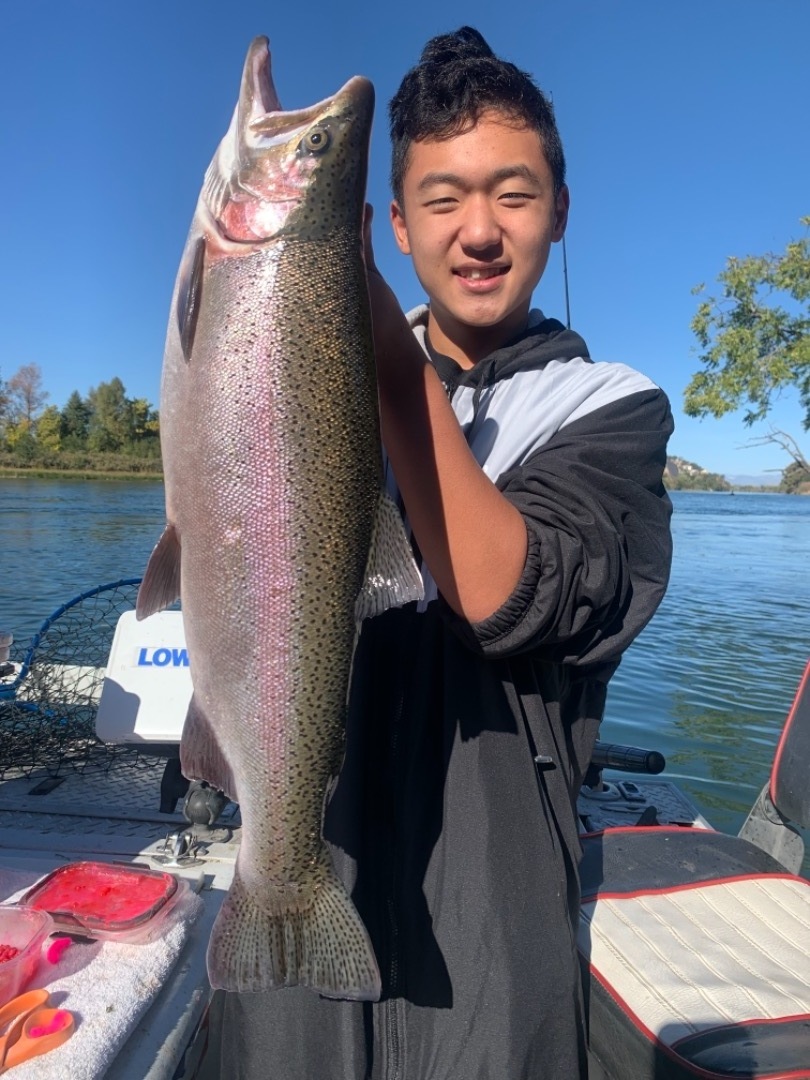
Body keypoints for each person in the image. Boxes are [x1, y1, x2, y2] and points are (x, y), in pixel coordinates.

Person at [201, 25, 673, 1079]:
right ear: (393, 227)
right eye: (444, 197)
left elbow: (514, 597)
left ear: (559, 213)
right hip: (308, 865)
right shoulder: (308, 366)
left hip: (495, 930)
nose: (480, 231)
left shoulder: (610, 407)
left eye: (514, 193)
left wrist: (371, 344)